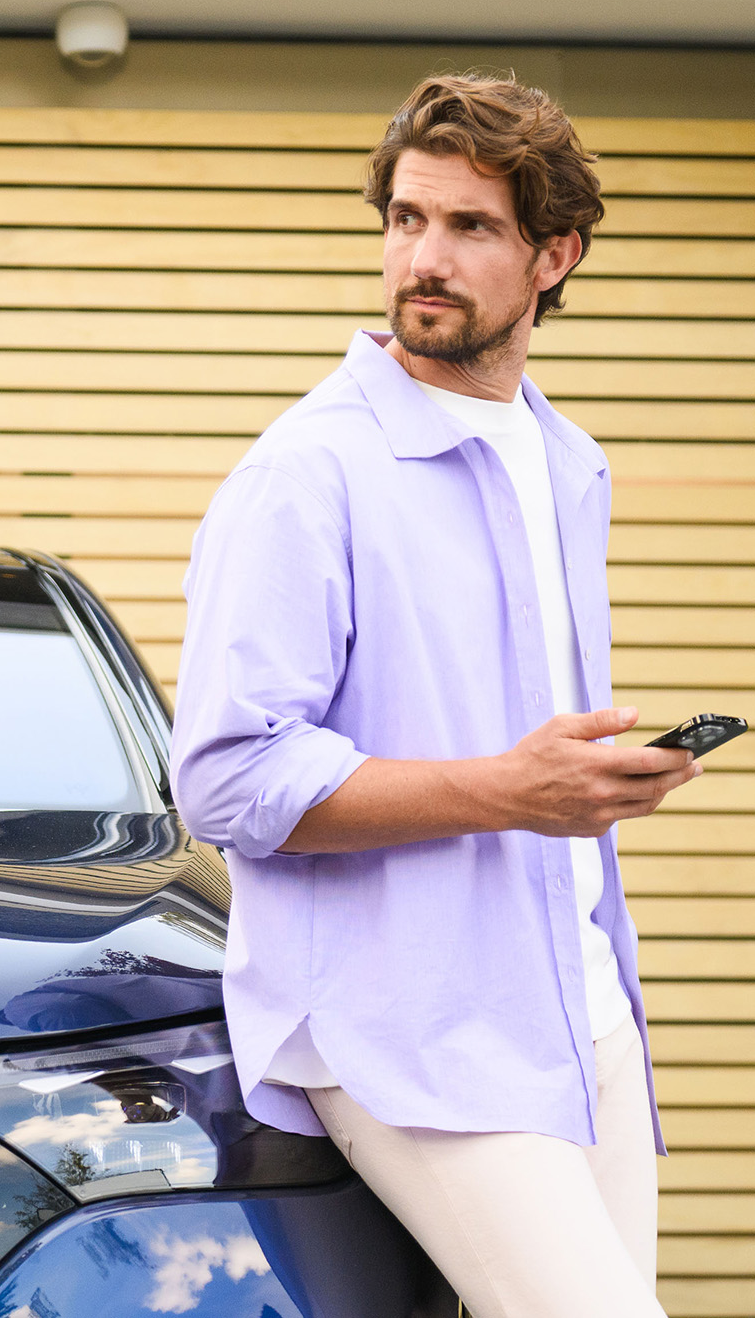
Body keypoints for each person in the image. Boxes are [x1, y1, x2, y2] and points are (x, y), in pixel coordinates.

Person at [171, 74, 698, 1318]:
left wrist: (588, 781)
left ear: (553, 257)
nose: (425, 256)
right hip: (402, 1028)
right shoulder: (309, 473)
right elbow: (228, 776)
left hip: (578, 1006)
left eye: (470, 228)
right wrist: (512, 792)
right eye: (409, 219)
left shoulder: (570, 465)